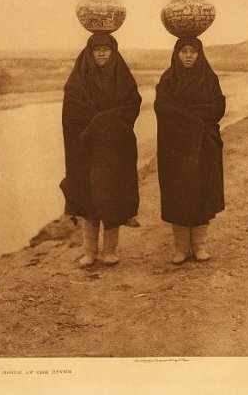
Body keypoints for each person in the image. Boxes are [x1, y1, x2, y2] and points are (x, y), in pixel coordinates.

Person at [60, 32, 141, 266]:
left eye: (107, 48)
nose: (102, 53)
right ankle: (89, 252)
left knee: (112, 197)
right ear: (90, 52)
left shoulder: (123, 77)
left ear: (114, 52)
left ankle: (110, 251)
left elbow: (131, 105)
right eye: (97, 49)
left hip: (114, 148)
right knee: (88, 200)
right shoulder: (78, 78)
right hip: (85, 149)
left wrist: (102, 121)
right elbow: (71, 112)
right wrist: (94, 125)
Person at [154, 36, 226, 264]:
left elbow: (218, 106)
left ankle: (200, 246)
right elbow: (164, 109)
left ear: (199, 54)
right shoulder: (167, 80)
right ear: (176, 54)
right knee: (179, 195)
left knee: (202, 192)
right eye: (183, 51)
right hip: (176, 147)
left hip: (204, 146)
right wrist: (196, 117)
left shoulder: (209, 78)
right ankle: (181, 249)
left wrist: (187, 115)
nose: (188, 56)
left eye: (192, 51)